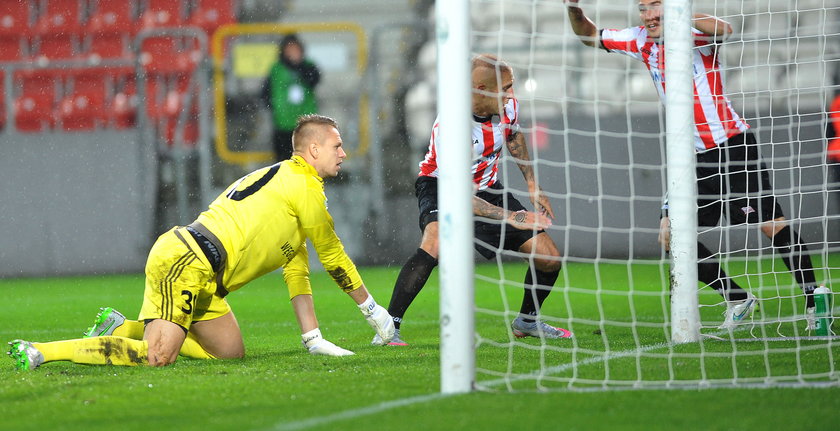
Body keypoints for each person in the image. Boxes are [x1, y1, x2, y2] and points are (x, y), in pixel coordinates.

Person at [7, 115, 395, 370]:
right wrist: (376, 315)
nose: (344, 153)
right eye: (337, 146)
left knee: (228, 353)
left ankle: (122, 326)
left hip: (206, 272)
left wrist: (314, 340)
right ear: (313, 150)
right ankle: (41, 351)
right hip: (190, 259)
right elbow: (332, 255)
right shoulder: (304, 187)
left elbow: (297, 269)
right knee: (159, 357)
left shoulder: (288, 187)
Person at [560, 0, 819, 331]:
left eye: (655, 6)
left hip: (733, 145)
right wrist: (574, 8)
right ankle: (738, 298)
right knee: (671, 234)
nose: (648, 14)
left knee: (771, 224)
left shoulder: (695, 36)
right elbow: (590, 36)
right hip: (694, 156)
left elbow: (723, 29)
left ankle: (814, 300)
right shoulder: (639, 39)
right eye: (643, 7)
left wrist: (681, 16)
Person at [374, 54, 572, 346]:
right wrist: (512, 216)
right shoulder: (453, 127)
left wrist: (532, 185)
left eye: (511, 86)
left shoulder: (508, 107)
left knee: (548, 257)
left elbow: (514, 136)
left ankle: (527, 321)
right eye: (504, 88)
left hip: (486, 186)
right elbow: (462, 197)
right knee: (435, 241)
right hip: (441, 184)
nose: (511, 95)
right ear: (481, 88)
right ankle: (389, 329)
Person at [261, 34, 321, 161]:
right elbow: (265, 93)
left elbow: (314, 80)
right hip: (283, 125)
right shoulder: (276, 69)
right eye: (290, 49)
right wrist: (275, 108)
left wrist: (299, 66)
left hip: (306, 125)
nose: (293, 52)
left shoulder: (308, 66)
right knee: (284, 163)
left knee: (308, 162)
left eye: (295, 49)